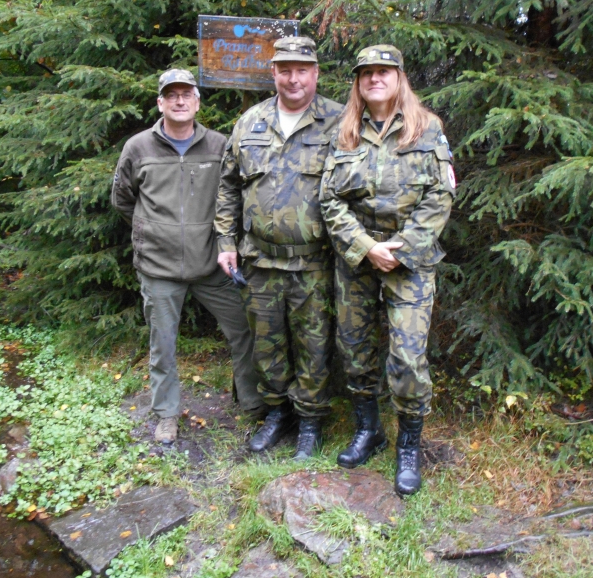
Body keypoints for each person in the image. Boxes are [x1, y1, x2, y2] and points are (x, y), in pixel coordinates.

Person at [320, 45, 456, 496]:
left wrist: (401, 249)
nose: (374, 78)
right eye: (366, 73)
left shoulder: (427, 128)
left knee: (408, 358)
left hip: (409, 262)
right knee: (355, 349)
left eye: (384, 71)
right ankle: (369, 430)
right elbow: (329, 199)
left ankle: (408, 447)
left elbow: (441, 195)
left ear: (399, 78)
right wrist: (366, 246)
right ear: (358, 83)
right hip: (358, 261)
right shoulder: (345, 132)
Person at [112, 69, 263, 445]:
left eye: (186, 94)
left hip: (212, 265)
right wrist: (153, 231)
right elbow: (123, 199)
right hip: (159, 268)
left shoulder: (219, 145)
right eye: (171, 95)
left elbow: (233, 196)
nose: (179, 101)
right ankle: (166, 414)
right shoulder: (138, 148)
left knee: (244, 331)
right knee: (163, 344)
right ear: (160, 103)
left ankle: (253, 404)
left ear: (197, 102)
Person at [215, 36, 344, 460]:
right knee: (266, 343)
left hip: (315, 263)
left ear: (315, 73)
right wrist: (226, 242)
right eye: (284, 70)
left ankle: (310, 421)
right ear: (273, 73)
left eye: (302, 70)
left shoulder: (340, 121)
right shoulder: (250, 122)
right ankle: (277, 413)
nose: (293, 79)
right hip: (259, 259)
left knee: (314, 345)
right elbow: (228, 186)